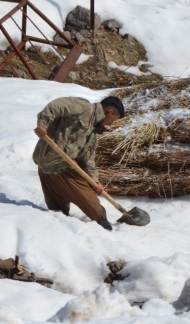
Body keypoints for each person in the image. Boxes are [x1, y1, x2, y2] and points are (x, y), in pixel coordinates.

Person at [33, 96, 125, 230]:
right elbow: (56, 106)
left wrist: (95, 181)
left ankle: (104, 231)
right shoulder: (83, 107)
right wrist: (42, 124)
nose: (110, 124)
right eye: (113, 120)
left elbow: (88, 159)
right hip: (46, 168)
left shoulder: (93, 135)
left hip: (64, 168)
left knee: (95, 210)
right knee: (57, 212)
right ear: (109, 112)